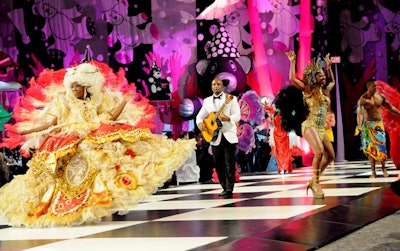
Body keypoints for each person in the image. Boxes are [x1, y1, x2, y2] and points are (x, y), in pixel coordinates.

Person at [0, 62, 195, 227]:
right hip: (70, 136)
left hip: (96, 132)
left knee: (112, 160)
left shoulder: (97, 100)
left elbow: (109, 117)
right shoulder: (64, 102)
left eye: (77, 86)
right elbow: (51, 123)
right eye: (72, 86)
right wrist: (30, 130)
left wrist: (123, 103)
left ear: (87, 86)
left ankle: (99, 202)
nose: (74, 89)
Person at [285, 50, 335, 199]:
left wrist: (329, 67)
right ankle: (317, 184)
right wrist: (293, 61)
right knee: (319, 152)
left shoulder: (325, 91)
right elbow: (293, 78)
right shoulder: (308, 90)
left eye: (323, 74)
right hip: (309, 124)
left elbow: (332, 81)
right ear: (314, 78)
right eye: (320, 75)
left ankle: (313, 180)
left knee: (330, 156)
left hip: (321, 128)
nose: (323, 77)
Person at [196, 78, 240, 199]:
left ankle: (230, 188)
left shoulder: (231, 99)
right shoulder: (207, 101)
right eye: (214, 84)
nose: (216, 86)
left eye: (218, 84)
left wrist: (229, 119)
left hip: (229, 135)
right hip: (215, 136)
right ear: (211, 86)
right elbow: (200, 116)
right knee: (218, 164)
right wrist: (200, 123)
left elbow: (237, 115)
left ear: (222, 86)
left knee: (229, 164)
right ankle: (224, 186)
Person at [357, 80, 400, 178]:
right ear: (368, 87)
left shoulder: (380, 97)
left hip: (378, 125)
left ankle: (383, 168)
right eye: (373, 86)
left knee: (382, 147)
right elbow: (359, 113)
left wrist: (399, 113)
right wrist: (359, 125)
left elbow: (390, 107)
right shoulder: (363, 100)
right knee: (370, 149)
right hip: (368, 126)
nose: (376, 88)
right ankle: (373, 172)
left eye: (376, 86)